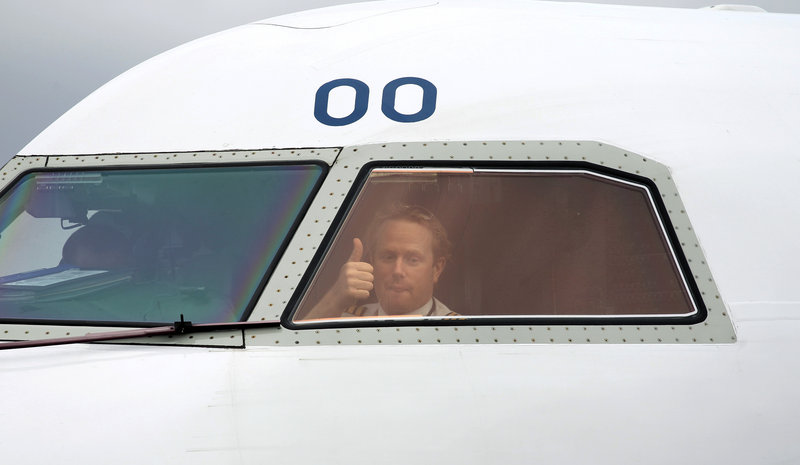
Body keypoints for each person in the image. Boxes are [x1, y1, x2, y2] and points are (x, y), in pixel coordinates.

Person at [302, 204, 458, 319]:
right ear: (372, 262)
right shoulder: (345, 318)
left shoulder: (457, 331)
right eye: (388, 257)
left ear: (437, 268)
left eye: (412, 260)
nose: (398, 271)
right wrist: (335, 298)